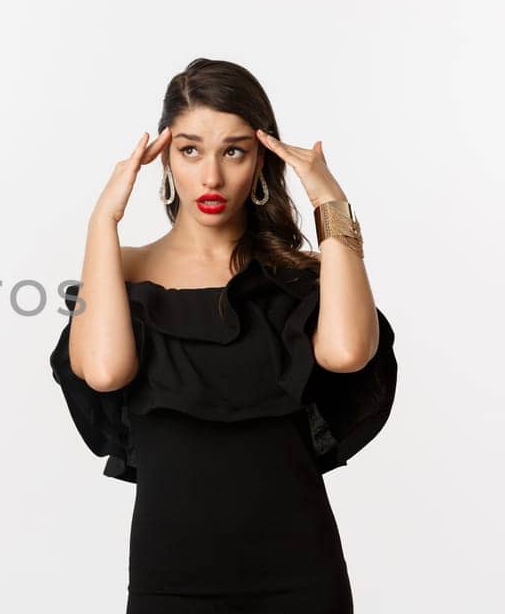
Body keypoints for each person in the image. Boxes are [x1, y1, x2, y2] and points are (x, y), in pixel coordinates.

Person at [48, 58, 398, 613]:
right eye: (190, 150)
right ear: (163, 158)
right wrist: (102, 223)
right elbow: (106, 369)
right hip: (172, 579)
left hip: (299, 574)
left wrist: (330, 203)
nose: (211, 177)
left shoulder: (303, 276)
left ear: (261, 158)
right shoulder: (122, 270)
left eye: (234, 150)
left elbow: (349, 352)